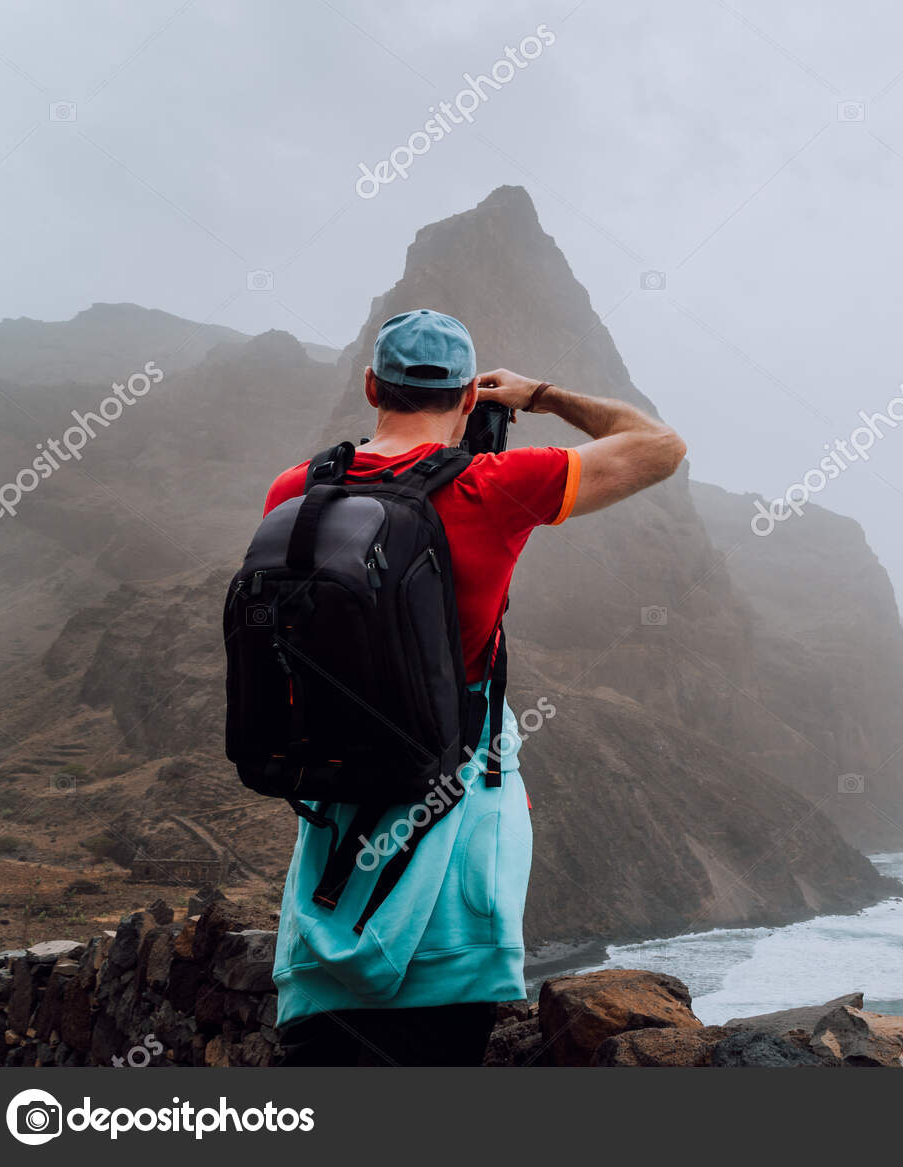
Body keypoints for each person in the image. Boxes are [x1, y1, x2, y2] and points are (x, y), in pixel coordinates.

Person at [266, 309, 684, 1066]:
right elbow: (661, 447)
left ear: (371, 386)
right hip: (453, 851)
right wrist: (541, 395)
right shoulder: (497, 487)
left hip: (333, 861)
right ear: (468, 398)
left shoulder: (296, 492)